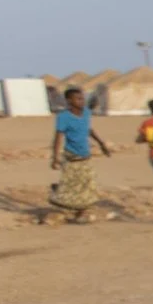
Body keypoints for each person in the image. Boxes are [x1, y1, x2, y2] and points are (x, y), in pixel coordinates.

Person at [48, 87, 113, 219]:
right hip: (72, 155)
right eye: (77, 99)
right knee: (73, 184)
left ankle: (80, 211)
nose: (81, 101)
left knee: (88, 184)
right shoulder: (64, 117)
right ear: (69, 100)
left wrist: (101, 144)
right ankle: (60, 192)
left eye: (82, 98)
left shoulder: (86, 113)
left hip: (85, 155)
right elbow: (58, 136)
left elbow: (89, 130)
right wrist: (55, 157)